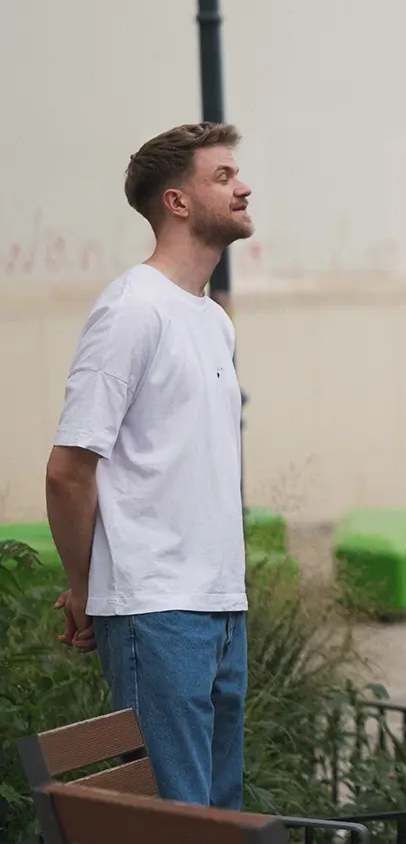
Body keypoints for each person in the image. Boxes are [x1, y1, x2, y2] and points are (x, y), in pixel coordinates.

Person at [44, 122, 254, 808]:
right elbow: (69, 468)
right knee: (175, 821)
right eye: (222, 176)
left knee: (216, 819)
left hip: (222, 604)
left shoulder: (211, 319)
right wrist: (84, 589)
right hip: (156, 607)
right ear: (178, 201)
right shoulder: (132, 308)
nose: (243, 185)